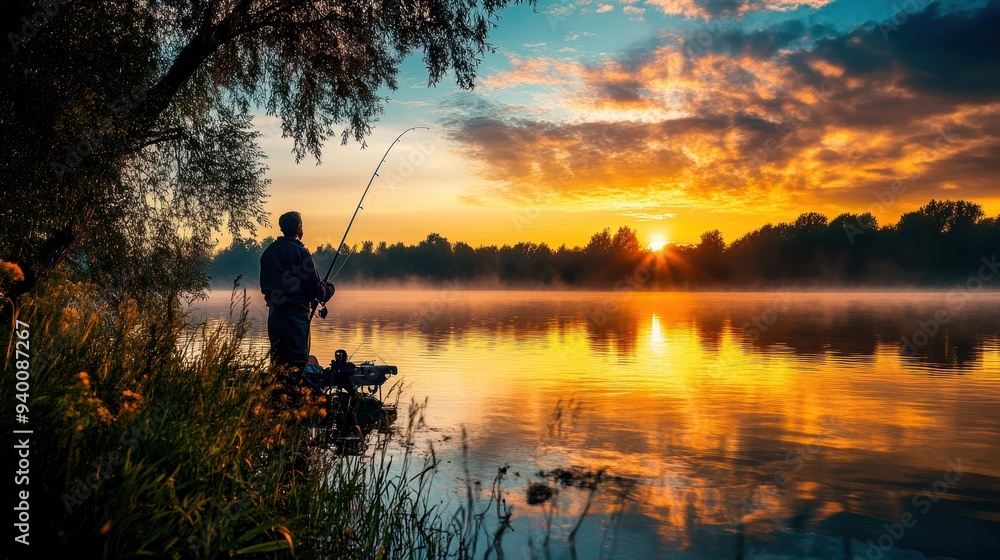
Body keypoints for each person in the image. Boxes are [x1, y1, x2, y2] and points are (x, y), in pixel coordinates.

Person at [259, 211, 334, 380]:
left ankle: (277, 399)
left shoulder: (269, 252)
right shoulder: (301, 254)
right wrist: (329, 290)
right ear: (299, 228)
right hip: (296, 318)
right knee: (296, 364)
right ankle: (294, 400)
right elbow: (317, 291)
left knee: (278, 362)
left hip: (275, 316)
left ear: (281, 228)